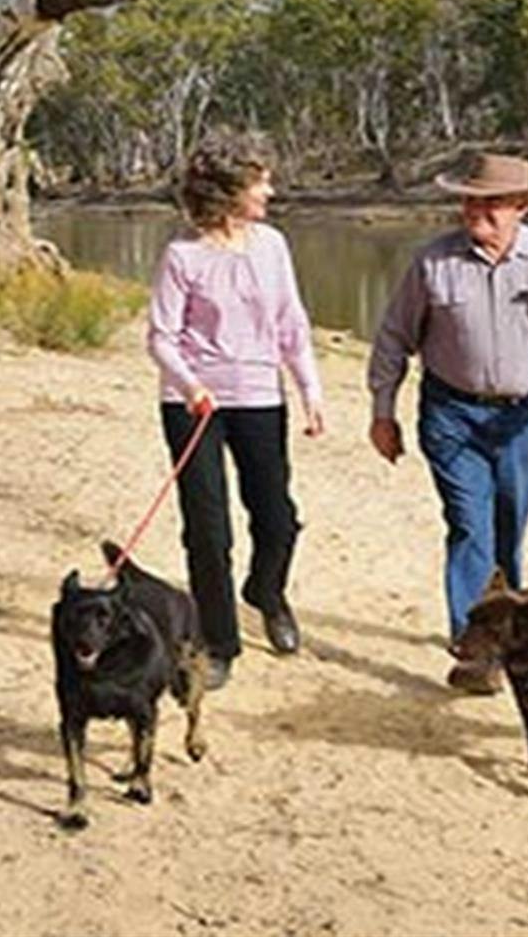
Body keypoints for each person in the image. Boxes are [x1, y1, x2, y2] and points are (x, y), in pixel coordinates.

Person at [365, 151, 528, 694]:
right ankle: (476, 653)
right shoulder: (433, 263)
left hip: (525, 418)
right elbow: (393, 339)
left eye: (490, 202)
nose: (474, 210)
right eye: (468, 199)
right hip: (451, 414)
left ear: (522, 207)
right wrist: (382, 411)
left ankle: (508, 633)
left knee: (509, 528)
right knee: (469, 526)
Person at [148, 137, 325, 691]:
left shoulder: (272, 245)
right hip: (193, 404)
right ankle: (219, 642)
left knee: (277, 518)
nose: (269, 191)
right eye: (259, 182)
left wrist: (310, 392)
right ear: (227, 193)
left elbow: (292, 325)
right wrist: (191, 385)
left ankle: (266, 593)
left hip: (260, 398)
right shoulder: (183, 256)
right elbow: (160, 338)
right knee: (207, 529)